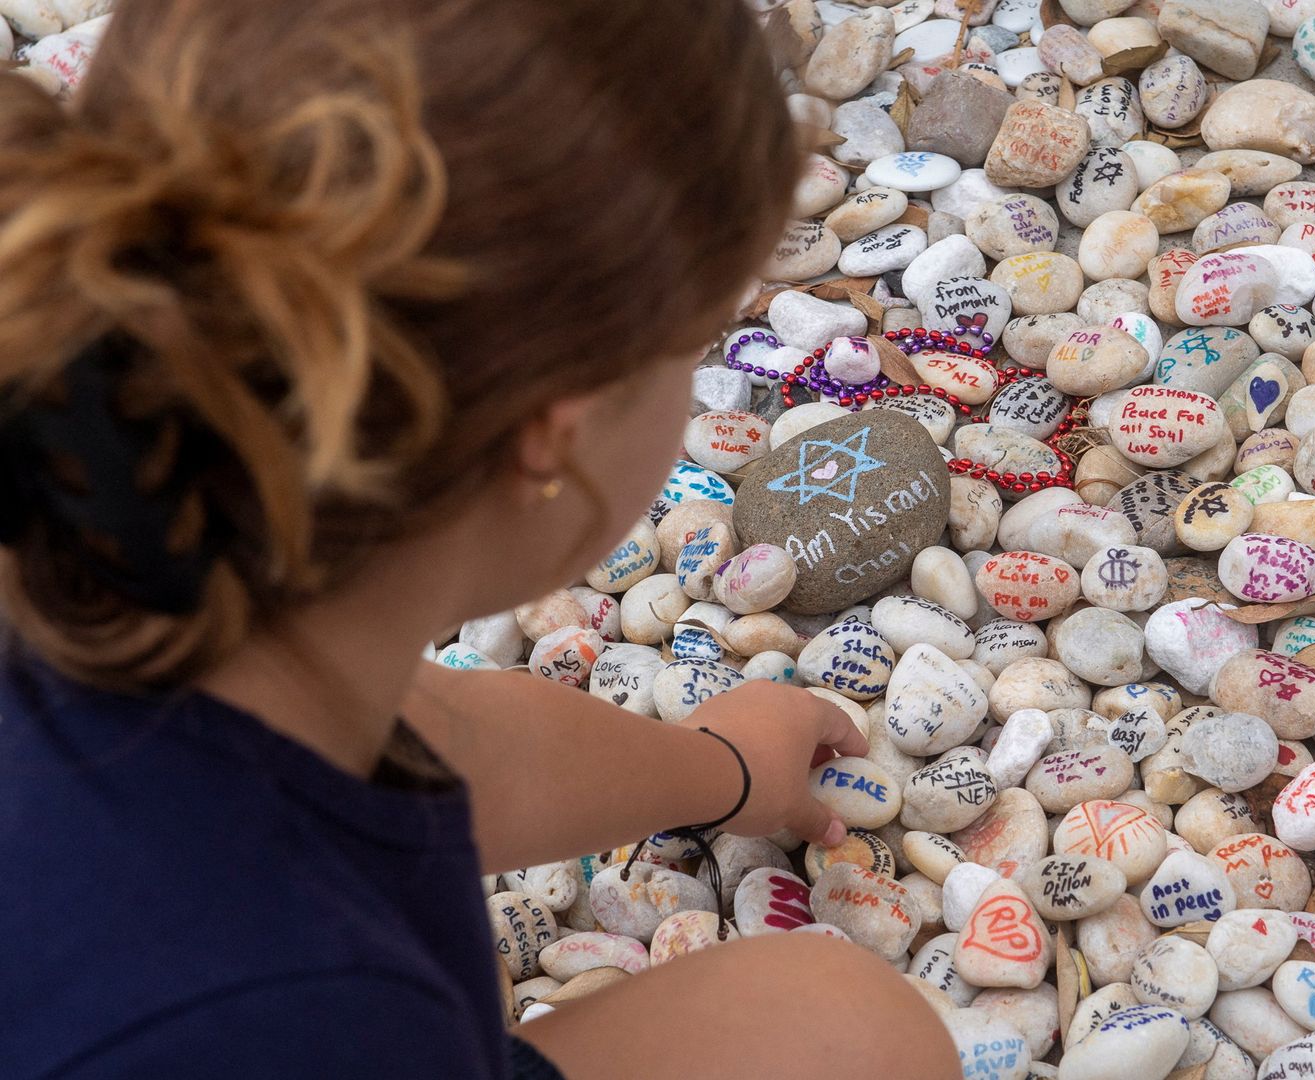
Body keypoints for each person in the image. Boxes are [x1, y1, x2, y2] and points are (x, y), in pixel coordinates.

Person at [0, 1, 961, 1077]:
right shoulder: (296, 1012)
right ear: (554, 435)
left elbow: (442, 742)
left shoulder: (75, 491)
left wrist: (725, 767)